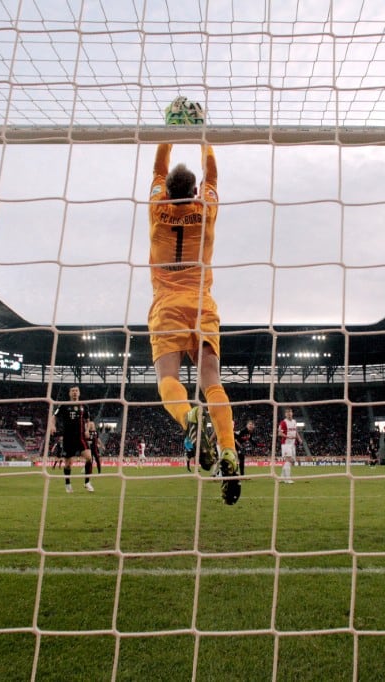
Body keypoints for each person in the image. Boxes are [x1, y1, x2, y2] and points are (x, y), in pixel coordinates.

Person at [147, 140, 240, 505]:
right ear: (196, 190)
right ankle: (228, 449)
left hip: (167, 306)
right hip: (202, 304)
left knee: (168, 380)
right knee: (211, 381)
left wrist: (167, 134)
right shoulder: (206, 208)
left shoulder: (157, 209)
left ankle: (189, 417)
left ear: (167, 191)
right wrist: (203, 138)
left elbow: (158, 168)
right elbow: (212, 174)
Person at [49, 386, 94, 493]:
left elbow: (88, 420)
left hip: (81, 437)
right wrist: (52, 425)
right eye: (73, 391)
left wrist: (87, 430)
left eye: (76, 391)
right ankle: (68, 484)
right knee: (68, 464)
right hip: (68, 438)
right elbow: (54, 417)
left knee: (89, 458)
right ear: (70, 393)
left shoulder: (84, 406)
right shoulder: (64, 405)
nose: (74, 392)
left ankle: (87, 482)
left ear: (79, 393)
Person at [278, 408, 302, 484]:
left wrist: (299, 438)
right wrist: (288, 436)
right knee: (289, 461)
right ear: (285, 414)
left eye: (290, 412)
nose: (289, 413)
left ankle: (281, 478)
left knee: (291, 461)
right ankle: (287, 479)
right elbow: (279, 433)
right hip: (286, 444)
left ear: (292, 413)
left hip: (293, 444)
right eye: (287, 412)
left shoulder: (294, 421)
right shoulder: (283, 422)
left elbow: (295, 431)